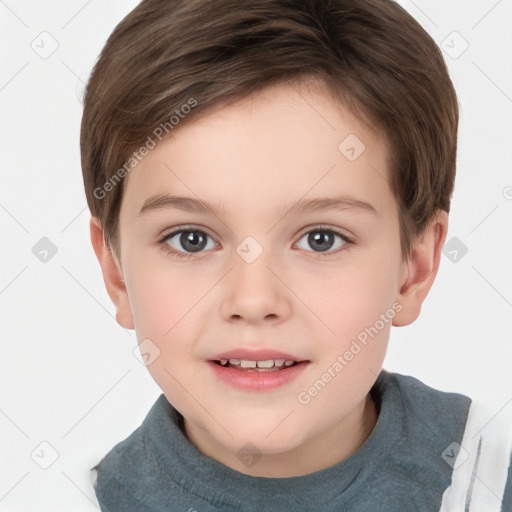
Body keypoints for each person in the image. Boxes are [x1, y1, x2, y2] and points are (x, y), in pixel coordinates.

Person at [80, 0, 512, 510]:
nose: (255, 299)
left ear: (413, 270)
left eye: (321, 238)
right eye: (191, 239)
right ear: (117, 274)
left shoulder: (488, 478)